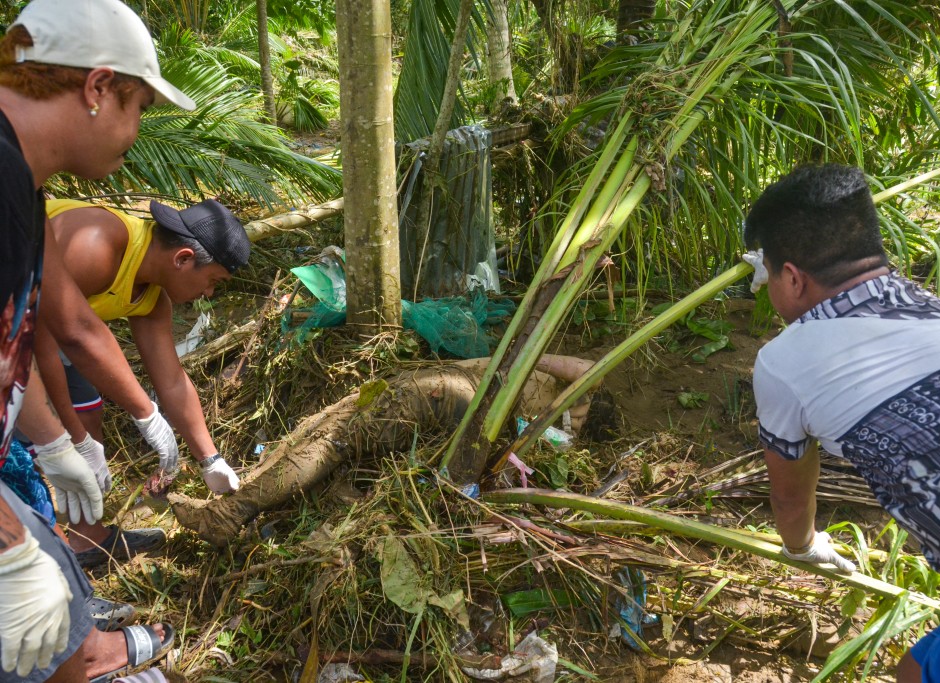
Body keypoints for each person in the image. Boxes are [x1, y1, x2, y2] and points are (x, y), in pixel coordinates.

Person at [743, 164, 940, 682]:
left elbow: (787, 498)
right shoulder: (937, 311)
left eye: (765, 274)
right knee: (914, 672)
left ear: (791, 277)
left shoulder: (783, 361)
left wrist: (804, 548)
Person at [0, 0, 189, 679]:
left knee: (60, 631)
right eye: (135, 106)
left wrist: (52, 440)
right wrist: (14, 547)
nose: (134, 131)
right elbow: (65, 330)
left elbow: (11, 347)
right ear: (96, 87)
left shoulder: (24, 183)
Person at [171, 355, 617, 546]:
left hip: (452, 392)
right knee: (330, 425)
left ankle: (228, 515)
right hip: (464, 409)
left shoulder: (579, 389)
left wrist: (530, 360)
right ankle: (239, 495)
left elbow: (569, 365)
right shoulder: (564, 439)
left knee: (333, 439)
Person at [33, 197, 249, 566]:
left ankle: (89, 541)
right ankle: (43, 562)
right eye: (213, 281)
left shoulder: (150, 297)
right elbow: (40, 339)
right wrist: (67, 440)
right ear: (182, 258)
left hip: (53, 330)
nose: (210, 293)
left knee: (87, 413)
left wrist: (209, 458)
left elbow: (172, 380)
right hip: (22, 326)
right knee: (25, 447)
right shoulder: (96, 245)